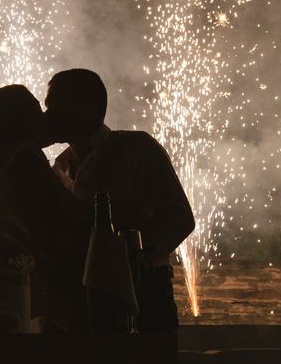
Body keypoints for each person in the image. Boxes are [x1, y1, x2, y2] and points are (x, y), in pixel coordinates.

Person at [45, 69, 195, 334]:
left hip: (145, 291)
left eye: (57, 105)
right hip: (85, 295)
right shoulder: (61, 164)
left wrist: (127, 260)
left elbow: (179, 217)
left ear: (88, 106)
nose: (49, 115)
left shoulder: (136, 148)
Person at [0, 84, 89, 330]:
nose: (44, 116)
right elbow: (53, 225)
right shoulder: (23, 156)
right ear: (20, 120)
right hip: (31, 291)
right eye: (36, 110)